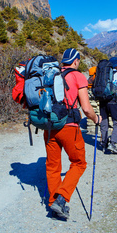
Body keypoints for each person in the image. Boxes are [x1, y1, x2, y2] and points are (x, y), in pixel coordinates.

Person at [45, 48, 101, 220]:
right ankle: (61, 200)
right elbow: (86, 108)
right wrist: (96, 119)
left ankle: (53, 203)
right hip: (69, 127)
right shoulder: (77, 76)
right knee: (79, 163)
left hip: (49, 127)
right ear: (76, 61)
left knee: (53, 167)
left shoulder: (51, 75)